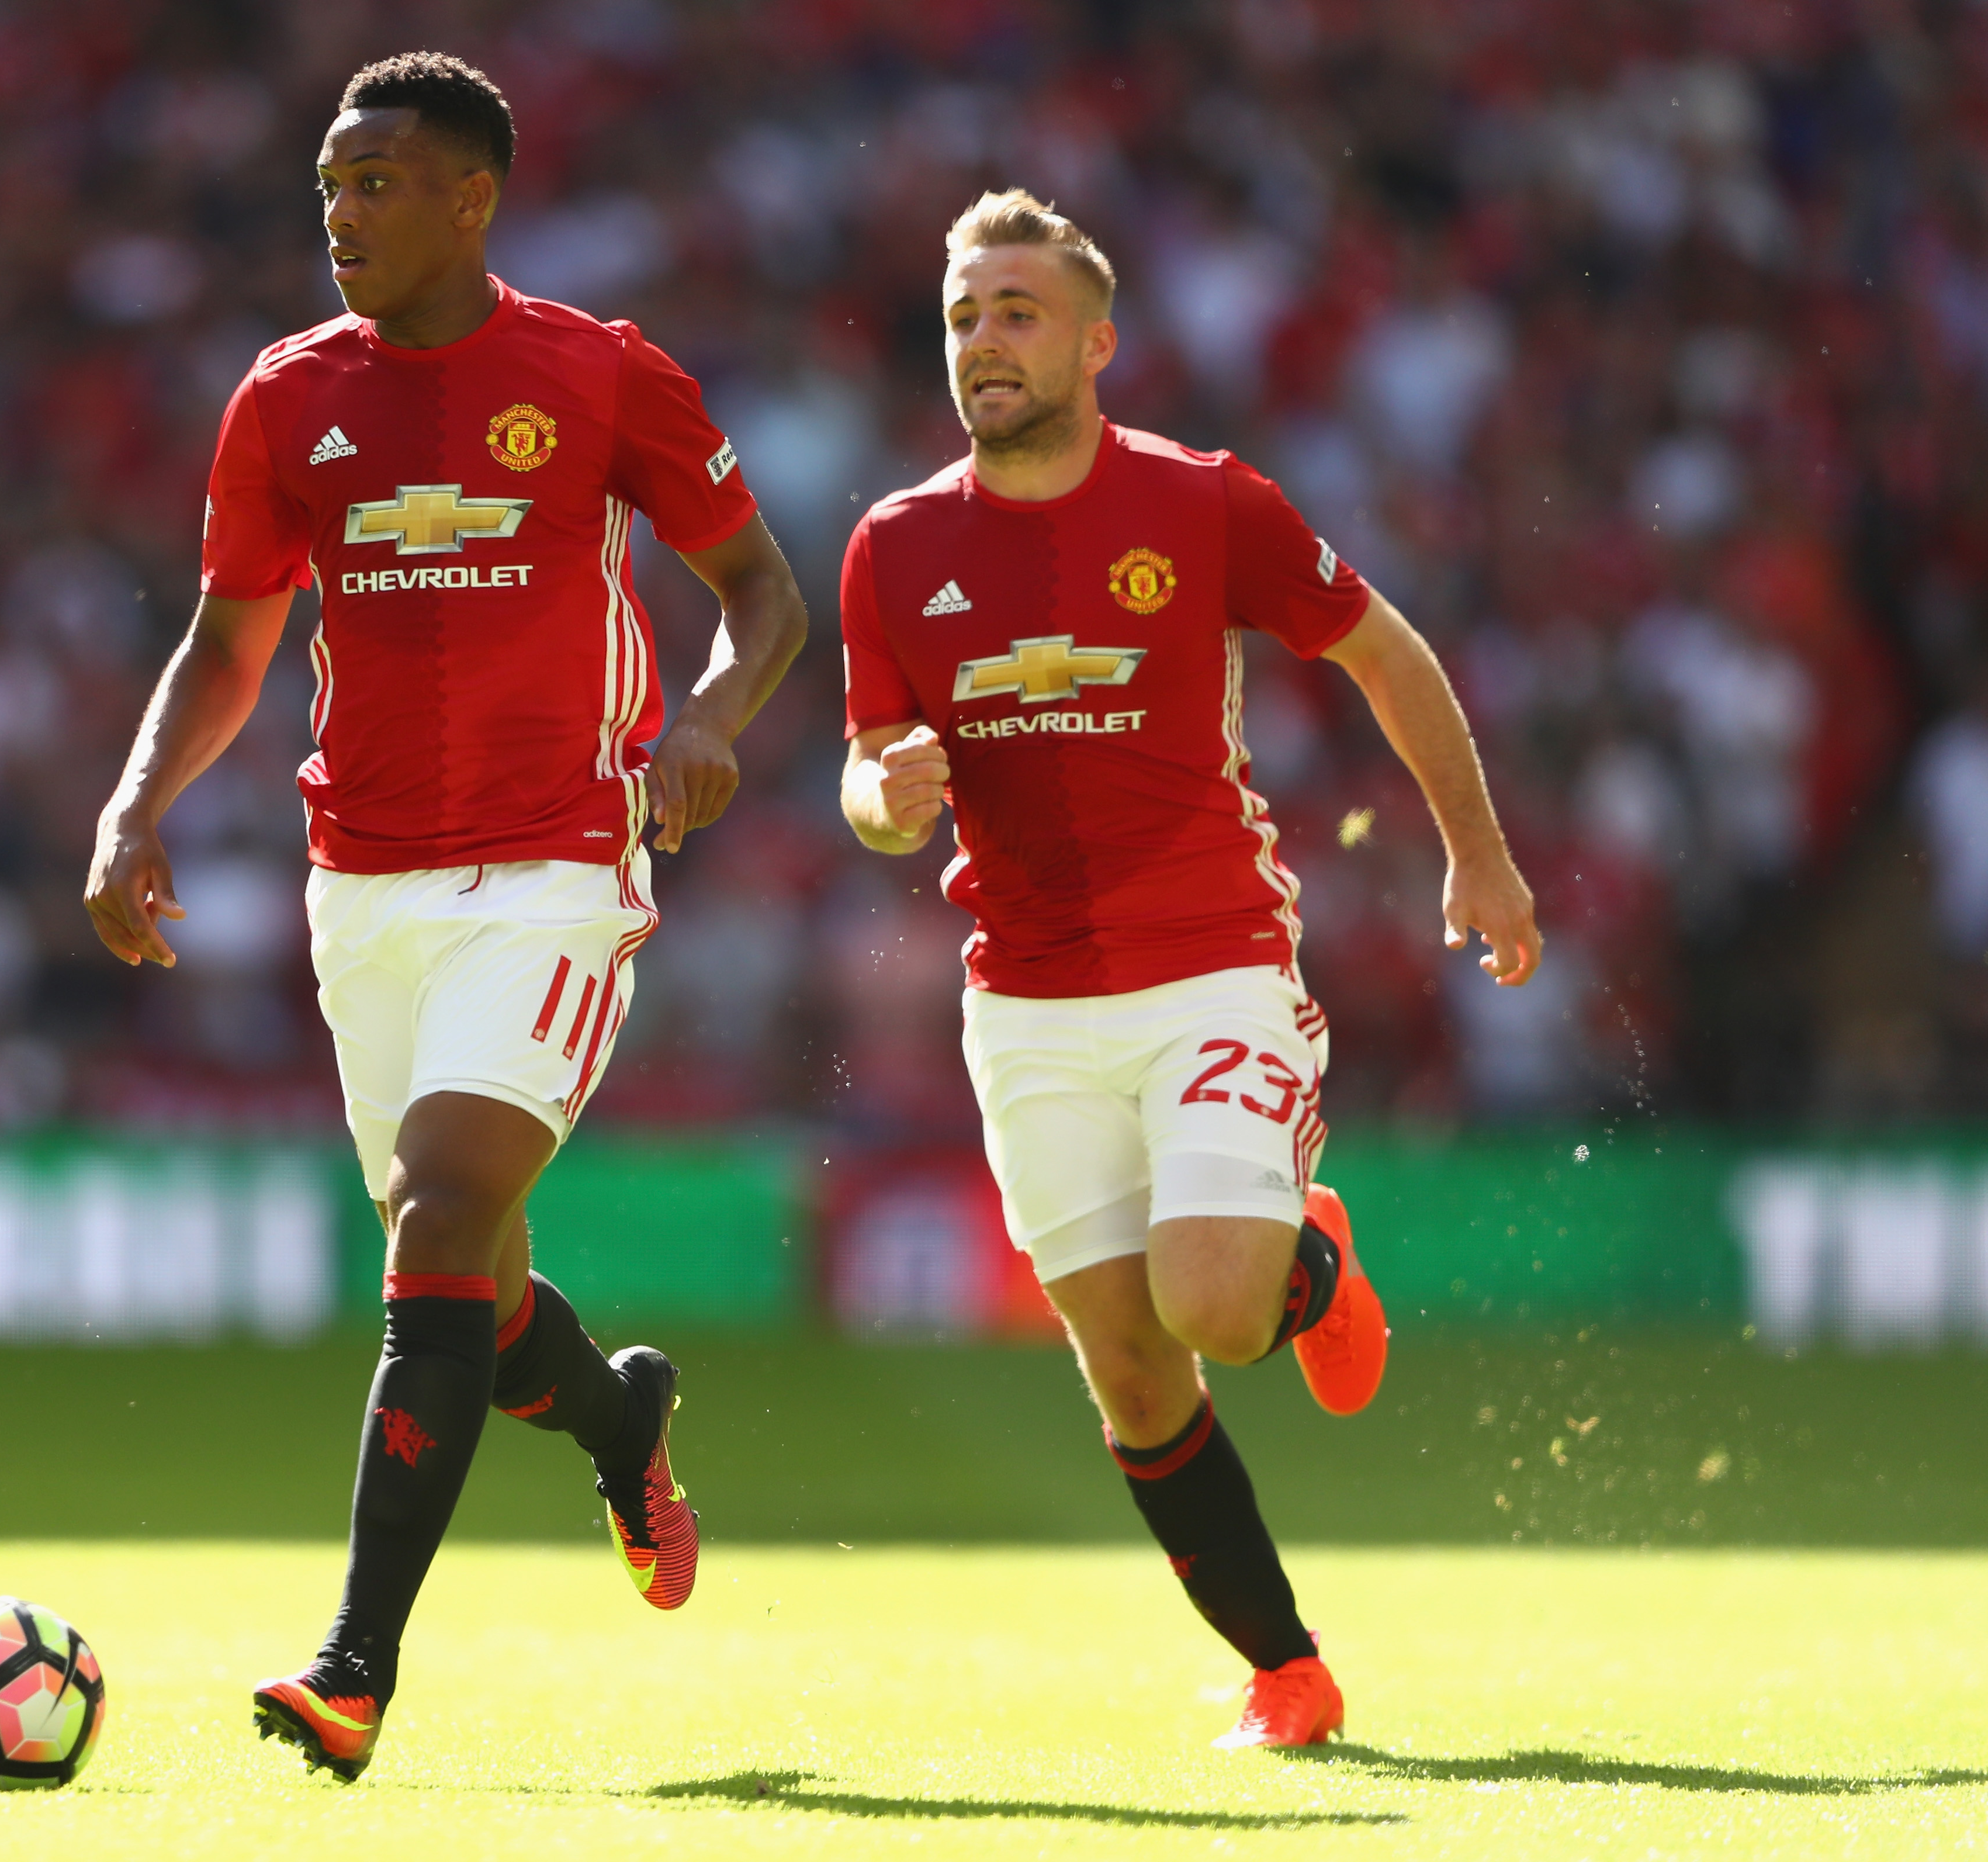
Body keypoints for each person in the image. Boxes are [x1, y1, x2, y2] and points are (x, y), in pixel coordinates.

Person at [82, 53, 807, 1781]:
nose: (341, 213)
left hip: (554, 867)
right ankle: (623, 1420)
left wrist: (708, 718)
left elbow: (762, 590)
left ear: (472, 197)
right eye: (331, 184)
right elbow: (229, 635)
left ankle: (351, 1667)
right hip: (367, 887)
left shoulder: (597, 373)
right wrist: (133, 802)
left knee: (441, 1204)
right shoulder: (283, 400)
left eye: (379, 184)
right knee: (466, 1296)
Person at [836, 191, 1539, 1749]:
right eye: (961, 315)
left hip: (1207, 959)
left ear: (1096, 340)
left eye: (1016, 311)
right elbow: (870, 770)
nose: (983, 342)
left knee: (1215, 1306)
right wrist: (881, 799)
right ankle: (1286, 1669)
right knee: (1131, 1373)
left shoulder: (1205, 503)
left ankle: (1306, 1260)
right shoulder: (893, 546)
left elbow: (1383, 648)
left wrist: (1473, 852)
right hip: (1021, 1001)